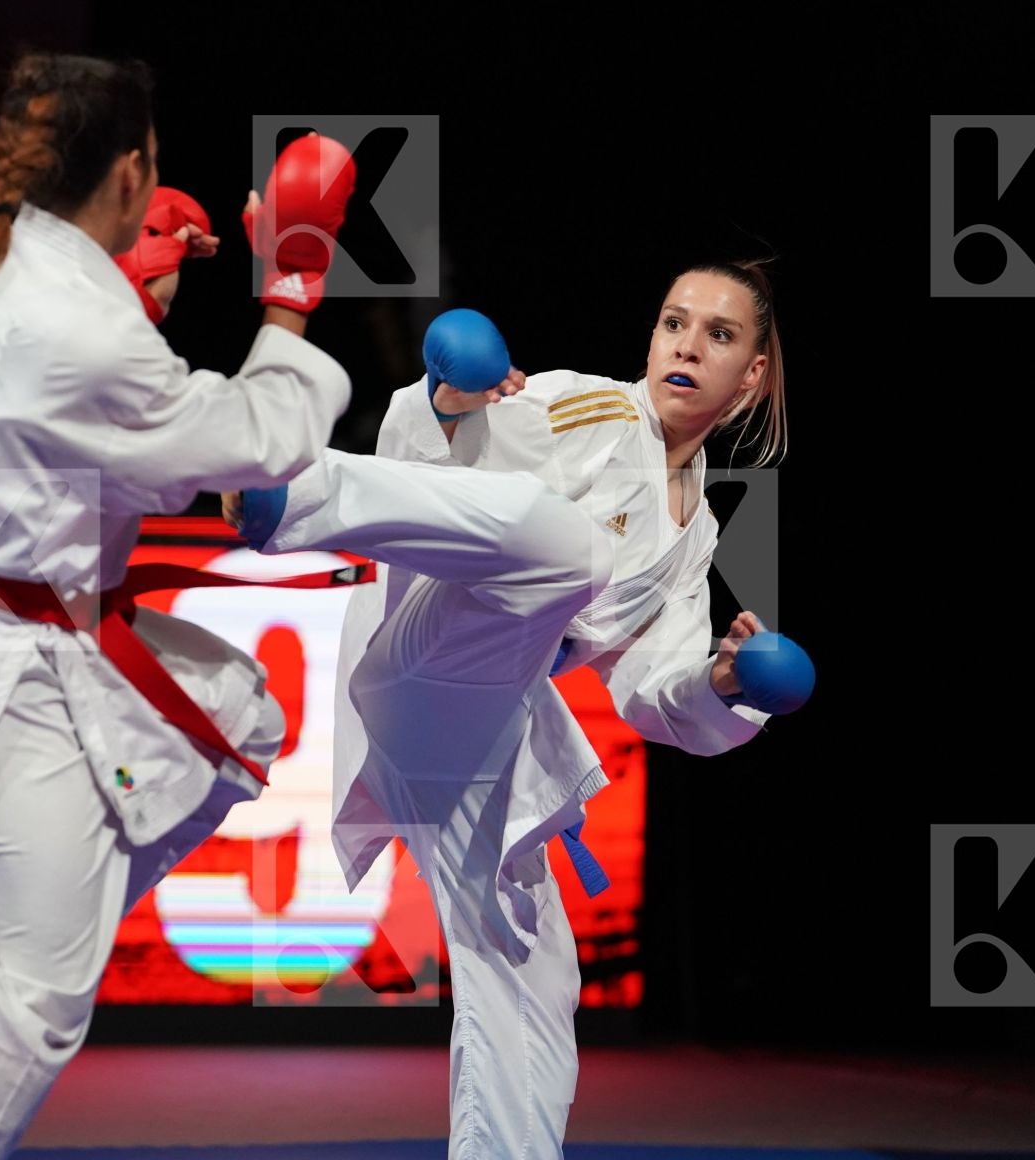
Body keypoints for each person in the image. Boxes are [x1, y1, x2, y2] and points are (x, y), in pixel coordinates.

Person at [0, 51, 356, 1158]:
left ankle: (50, 910)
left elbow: (80, 419)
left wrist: (128, 283)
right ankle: (34, 947)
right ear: (134, 169)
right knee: (41, 1006)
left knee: (243, 713)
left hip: (10, 619)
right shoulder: (77, 326)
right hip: (8, 668)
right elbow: (251, 441)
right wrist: (289, 289)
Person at [224, 262, 790, 1159]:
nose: (686, 344)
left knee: (530, 976)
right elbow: (441, 457)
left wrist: (721, 686)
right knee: (564, 547)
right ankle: (290, 492)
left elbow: (650, 693)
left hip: (479, 730)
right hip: (419, 658)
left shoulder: (696, 535)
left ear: (752, 373)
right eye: (673, 321)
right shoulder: (594, 411)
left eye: (719, 335)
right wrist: (452, 403)